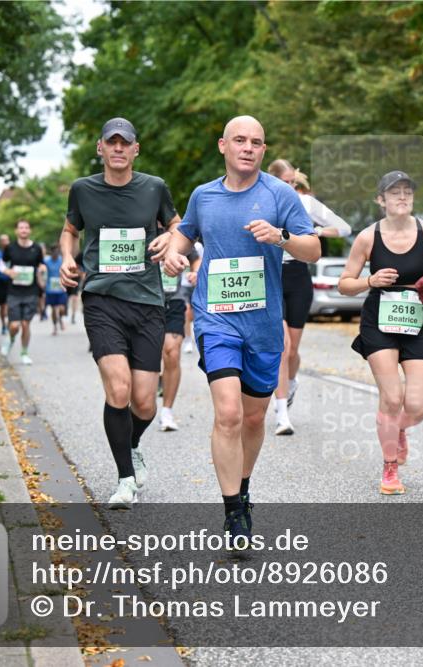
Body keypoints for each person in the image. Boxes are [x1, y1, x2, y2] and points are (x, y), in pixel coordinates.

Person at [162, 115, 319, 545]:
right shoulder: (203, 196)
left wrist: (281, 236)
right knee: (229, 413)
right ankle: (233, 511)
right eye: (240, 140)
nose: (248, 148)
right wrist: (175, 254)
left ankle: (243, 488)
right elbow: (184, 236)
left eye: (256, 142)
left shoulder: (280, 194)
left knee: (252, 417)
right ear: (223, 146)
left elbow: (312, 248)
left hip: (263, 324)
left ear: (263, 150)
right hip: (216, 319)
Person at [59, 117, 180, 509]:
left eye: (124, 143)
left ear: (135, 149)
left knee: (144, 402)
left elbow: (178, 226)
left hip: (147, 302)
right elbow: (70, 230)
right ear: (100, 148)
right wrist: (66, 258)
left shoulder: (154, 187)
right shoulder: (83, 190)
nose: (117, 148)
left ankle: (131, 445)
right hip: (101, 300)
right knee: (119, 389)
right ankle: (125, 479)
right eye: (111, 142)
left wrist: (170, 238)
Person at [338, 171, 423, 495]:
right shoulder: (367, 238)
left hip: (418, 319)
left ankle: (398, 429)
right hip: (379, 321)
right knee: (391, 397)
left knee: (417, 405)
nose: (402, 197)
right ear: (381, 200)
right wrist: (369, 281)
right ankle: (390, 468)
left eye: (407, 192)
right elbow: (344, 284)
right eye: (394, 192)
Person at [266, 159, 351, 435]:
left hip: (298, 277)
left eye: (293, 182)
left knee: (292, 350)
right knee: (281, 346)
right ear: (273, 180)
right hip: (271, 275)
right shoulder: (262, 200)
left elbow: (345, 228)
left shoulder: (305, 203)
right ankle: (281, 414)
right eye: (286, 182)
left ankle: (291, 383)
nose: (291, 187)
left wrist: (318, 231)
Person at [158, 238, 201, 431]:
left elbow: (195, 258)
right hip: (143, 302)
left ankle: (166, 411)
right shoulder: (139, 226)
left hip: (174, 301)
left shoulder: (177, 234)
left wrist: (196, 272)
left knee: (172, 353)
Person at [0, 219, 44, 365]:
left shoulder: (36, 248)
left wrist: (42, 270)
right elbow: (1, 264)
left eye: (26, 227)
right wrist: (8, 271)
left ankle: (24, 353)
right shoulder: (10, 248)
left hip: (31, 291)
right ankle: (11, 339)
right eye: (21, 227)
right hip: (14, 292)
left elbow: (41, 265)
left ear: (30, 230)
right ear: (16, 231)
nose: (24, 230)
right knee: (14, 325)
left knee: (25, 324)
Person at [43, 244, 68, 335]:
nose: (56, 253)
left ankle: (60, 319)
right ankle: (55, 327)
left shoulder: (62, 260)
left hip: (61, 288)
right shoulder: (46, 261)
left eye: (58, 251)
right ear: (51, 252)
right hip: (50, 289)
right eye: (54, 251)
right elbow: (41, 271)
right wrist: (42, 282)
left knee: (61, 309)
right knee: (53, 309)